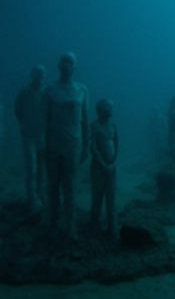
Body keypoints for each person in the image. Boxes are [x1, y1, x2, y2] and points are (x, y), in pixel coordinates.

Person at [45, 52, 90, 239]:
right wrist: (42, 144)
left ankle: (70, 226)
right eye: (63, 61)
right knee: (53, 185)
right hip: (53, 144)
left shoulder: (82, 90)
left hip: (73, 143)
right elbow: (45, 119)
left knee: (70, 186)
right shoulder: (49, 90)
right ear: (58, 65)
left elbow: (85, 120)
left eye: (70, 62)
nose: (66, 65)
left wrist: (86, 145)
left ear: (74, 66)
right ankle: (53, 224)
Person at [14, 65, 47, 213]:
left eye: (42, 75)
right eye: (38, 75)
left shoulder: (45, 93)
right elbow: (17, 110)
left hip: (41, 136)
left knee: (41, 168)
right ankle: (32, 199)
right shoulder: (24, 92)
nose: (41, 77)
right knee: (31, 168)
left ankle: (40, 195)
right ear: (33, 76)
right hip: (28, 136)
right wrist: (25, 125)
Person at [90, 98, 118, 235]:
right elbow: (93, 148)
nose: (110, 110)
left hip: (111, 167)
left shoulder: (113, 127)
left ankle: (112, 227)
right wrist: (103, 164)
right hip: (98, 168)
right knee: (98, 197)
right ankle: (94, 227)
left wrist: (112, 163)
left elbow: (117, 145)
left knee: (111, 198)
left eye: (110, 108)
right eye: (107, 107)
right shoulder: (94, 126)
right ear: (100, 110)